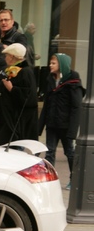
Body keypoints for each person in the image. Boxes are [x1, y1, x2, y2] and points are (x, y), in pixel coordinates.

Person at [38, 53, 84, 190]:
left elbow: (76, 107)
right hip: (52, 124)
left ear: (62, 65)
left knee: (69, 152)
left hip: (65, 126)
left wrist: (72, 131)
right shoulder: (50, 80)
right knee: (50, 152)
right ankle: (48, 179)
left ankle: (74, 178)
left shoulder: (73, 82)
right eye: (50, 63)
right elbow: (46, 105)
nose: (50, 65)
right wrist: (39, 127)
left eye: (53, 63)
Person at [0, 43, 38, 146]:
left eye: (7, 55)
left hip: (15, 121)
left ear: (12, 57)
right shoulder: (11, 70)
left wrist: (12, 88)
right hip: (6, 118)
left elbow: (28, 98)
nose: (5, 58)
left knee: (9, 147)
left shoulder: (25, 72)